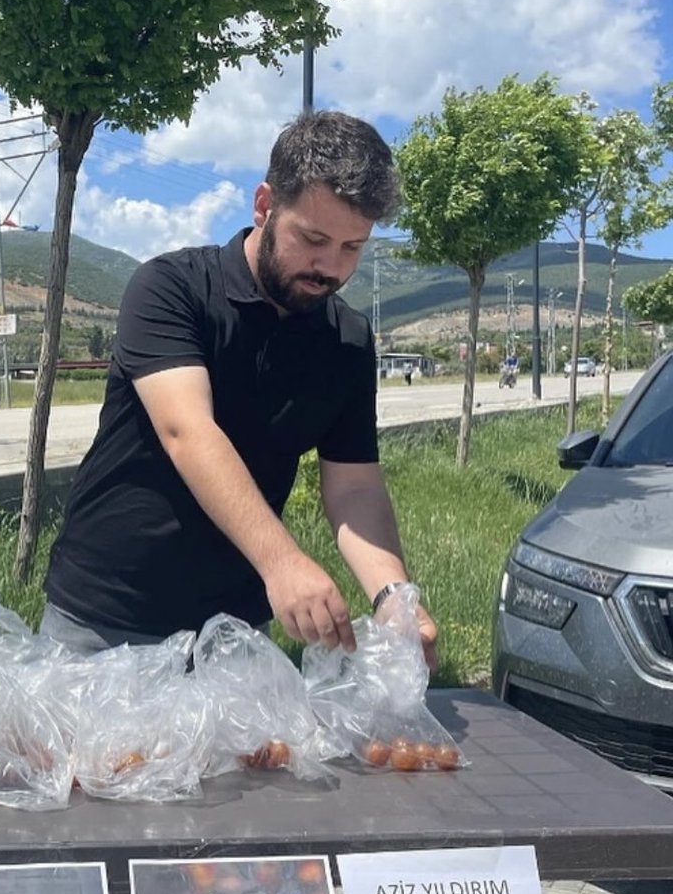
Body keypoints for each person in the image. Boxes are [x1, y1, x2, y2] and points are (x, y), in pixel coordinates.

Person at [41, 110, 437, 669]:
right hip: (105, 621)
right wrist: (283, 562)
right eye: (313, 238)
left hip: (234, 632)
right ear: (264, 206)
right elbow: (188, 432)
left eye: (352, 248)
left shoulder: (346, 339)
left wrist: (394, 596)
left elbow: (354, 489)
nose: (329, 267)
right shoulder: (171, 289)